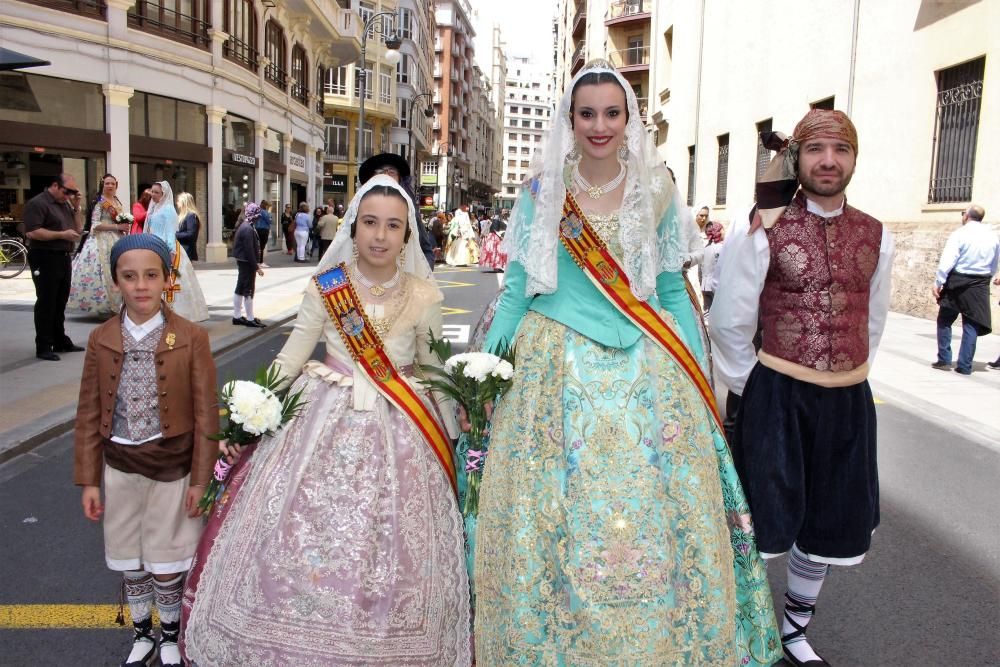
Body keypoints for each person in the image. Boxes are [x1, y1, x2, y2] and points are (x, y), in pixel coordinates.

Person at [473, 60, 779, 666]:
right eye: (587, 113)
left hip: (647, 368)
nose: (599, 125)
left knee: (655, 522)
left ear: (629, 118)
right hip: (553, 365)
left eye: (612, 113)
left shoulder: (657, 187)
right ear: (570, 119)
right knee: (552, 516)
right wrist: (486, 373)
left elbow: (669, 291)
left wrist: (700, 378)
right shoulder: (541, 193)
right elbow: (514, 290)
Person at [182, 175, 470, 665]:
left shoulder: (424, 295)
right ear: (352, 229)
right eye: (370, 223)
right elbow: (291, 357)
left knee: (390, 545)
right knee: (296, 535)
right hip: (321, 417)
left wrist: (459, 439)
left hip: (401, 423)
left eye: (393, 226)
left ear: (407, 236)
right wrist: (246, 419)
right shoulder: (326, 287)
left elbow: (432, 367)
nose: (380, 235)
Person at [709, 109, 895, 667]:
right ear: (798, 159)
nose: (829, 161)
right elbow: (730, 320)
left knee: (829, 519)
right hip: (778, 394)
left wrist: (849, 372)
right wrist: (757, 386)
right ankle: (741, 622)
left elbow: (874, 319)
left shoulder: (875, 233)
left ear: (854, 158)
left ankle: (793, 630)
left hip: (848, 400)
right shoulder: (764, 229)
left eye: (841, 150)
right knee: (759, 515)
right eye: (816, 150)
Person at [73, 233, 218, 667]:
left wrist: (200, 479)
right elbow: (87, 411)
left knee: (167, 558)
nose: (140, 285)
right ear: (115, 281)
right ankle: (142, 635)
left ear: (166, 280)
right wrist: (88, 480)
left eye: (150, 275)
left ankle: (170, 637)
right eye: (129, 276)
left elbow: (207, 415)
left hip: (172, 468)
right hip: (120, 467)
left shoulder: (190, 337)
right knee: (129, 558)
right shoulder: (101, 338)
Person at [23, 173, 85, 361]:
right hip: (45, 256)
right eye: (68, 192)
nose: (70, 195)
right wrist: (61, 235)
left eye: (73, 192)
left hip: (63, 256)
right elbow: (33, 232)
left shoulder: (65, 204)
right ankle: (43, 344)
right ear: (55, 186)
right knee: (47, 302)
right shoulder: (38, 203)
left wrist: (76, 207)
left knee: (60, 301)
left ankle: (60, 339)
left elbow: (79, 228)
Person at [931, 204, 998, 375]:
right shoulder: (992, 236)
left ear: (967, 216)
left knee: (945, 319)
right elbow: (994, 263)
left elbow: (948, 260)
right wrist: (987, 278)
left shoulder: (959, 234)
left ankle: (944, 358)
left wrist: (939, 282)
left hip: (957, 281)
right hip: (979, 283)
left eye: (963, 213)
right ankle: (964, 365)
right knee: (971, 324)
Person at [359, 152, 436, 270]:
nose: (380, 236)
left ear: (400, 179)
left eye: (391, 172)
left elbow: (426, 251)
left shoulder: (409, 211)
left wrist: (420, 279)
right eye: (370, 222)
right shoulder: (357, 208)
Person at [145, 181, 209, 322]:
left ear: (164, 194)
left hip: (166, 249)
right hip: (153, 247)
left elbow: (170, 234)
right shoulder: (154, 209)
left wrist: (171, 254)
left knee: (171, 283)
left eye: (157, 192)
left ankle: (173, 314)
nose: (153, 195)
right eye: (152, 191)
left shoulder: (168, 210)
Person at [68, 173, 129, 317]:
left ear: (116, 185)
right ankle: (106, 304)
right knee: (103, 271)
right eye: (107, 183)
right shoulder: (100, 201)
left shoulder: (116, 201)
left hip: (117, 239)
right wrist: (117, 228)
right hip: (101, 240)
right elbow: (94, 224)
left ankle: (118, 304)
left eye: (112, 183)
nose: (110, 186)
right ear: (103, 184)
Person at [232, 203, 266, 328]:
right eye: (257, 215)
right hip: (247, 262)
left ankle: (237, 316)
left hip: (243, 261)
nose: (258, 218)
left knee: (240, 288)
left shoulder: (246, 226)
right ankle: (250, 318)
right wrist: (256, 267)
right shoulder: (247, 229)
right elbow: (249, 250)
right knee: (248, 290)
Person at [701, 220, 725, 314]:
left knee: (709, 312)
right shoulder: (721, 248)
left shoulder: (706, 248)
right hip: (716, 287)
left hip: (705, 286)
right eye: (722, 230)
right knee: (718, 313)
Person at [175, 192, 201, 262]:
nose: (177, 203)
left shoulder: (191, 216)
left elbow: (191, 234)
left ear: (184, 202)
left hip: (186, 250)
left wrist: (175, 234)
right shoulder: (183, 215)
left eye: (178, 201)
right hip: (180, 250)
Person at [253, 199, 273, 268]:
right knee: (262, 246)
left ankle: (257, 261)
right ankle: (260, 262)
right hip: (263, 230)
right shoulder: (264, 212)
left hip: (257, 229)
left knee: (258, 246)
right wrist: (269, 213)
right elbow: (269, 220)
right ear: (266, 206)